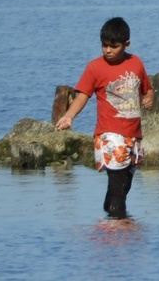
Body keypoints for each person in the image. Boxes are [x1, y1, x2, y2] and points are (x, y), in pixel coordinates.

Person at [56, 17, 154, 219]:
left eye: (113, 46)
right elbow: (82, 95)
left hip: (133, 135)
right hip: (110, 135)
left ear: (126, 44)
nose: (107, 50)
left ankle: (108, 218)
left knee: (125, 182)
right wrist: (68, 116)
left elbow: (147, 89)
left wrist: (149, 99)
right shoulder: (95, 68)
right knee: (118, 183)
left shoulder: (135, 63)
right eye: (104, 45)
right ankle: (119, 227)